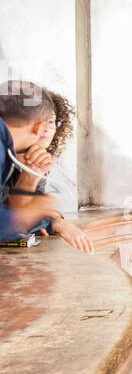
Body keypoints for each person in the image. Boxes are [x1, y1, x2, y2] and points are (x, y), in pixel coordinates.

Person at [0, 81, 93, 251]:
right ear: (37, 126)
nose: (47, 129)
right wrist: (34, 215)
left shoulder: (20, 155)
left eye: (53, 122)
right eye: (45, 122)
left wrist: (30, 177)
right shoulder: (4, 148)